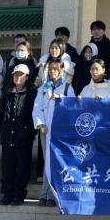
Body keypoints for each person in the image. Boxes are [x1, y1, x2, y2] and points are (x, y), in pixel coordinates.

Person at [32, 59, 75, 207]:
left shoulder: (67, 87)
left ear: (61, 71)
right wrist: (41, 123)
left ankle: (52, 195)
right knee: (47, 162)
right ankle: (44, 194)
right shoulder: (44, 87)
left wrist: (60, 98)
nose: (52, 72)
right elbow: (37, 107)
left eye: (55, 69)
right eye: (50, 69)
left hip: (60, 131)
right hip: (46, 130)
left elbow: (72, 106)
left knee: (56, 161)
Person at [0, 64, 36, 206]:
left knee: (23, 167)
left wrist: (30, 129)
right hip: (7, 136)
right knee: (7, 167)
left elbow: (34, 114)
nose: (18, 77)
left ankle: (19, 195)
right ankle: (7, 194)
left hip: (24, 137)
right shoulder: (7, 93)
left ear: (27, 77)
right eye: (15, 74)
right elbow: (0, 112)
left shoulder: (31, 94)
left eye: (21, 75)